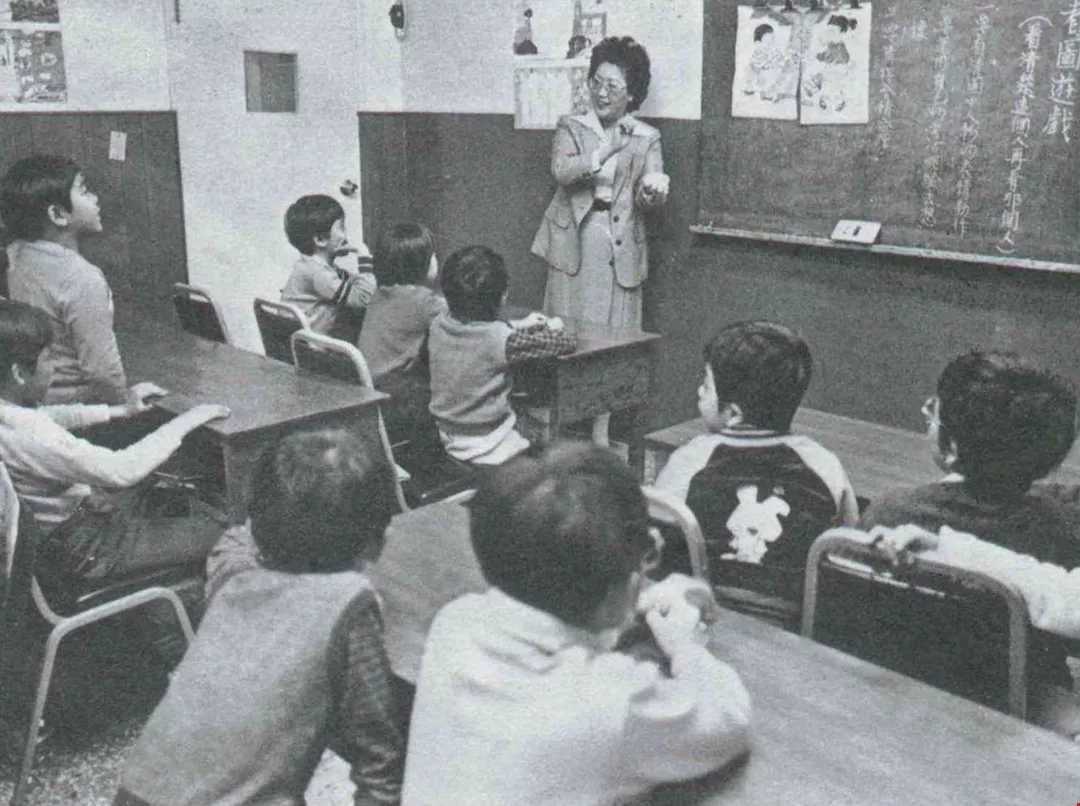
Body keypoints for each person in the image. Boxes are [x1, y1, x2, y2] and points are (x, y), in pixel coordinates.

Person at [402, 442, 751, 806]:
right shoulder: (611, 703)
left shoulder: (455, 623)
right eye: (644, 561)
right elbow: (729, 720)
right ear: (615, 590)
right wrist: (686, 647)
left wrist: (637, 604)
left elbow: (555, 625)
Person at [115, 428, 405, 806]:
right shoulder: (349, 602)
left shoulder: (231, 570)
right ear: (377, 538)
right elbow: (380, 763)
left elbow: (239, 536)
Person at [861, 350, 1080, 736]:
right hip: (1028, 712)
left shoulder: (889, 512)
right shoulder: (1058, 525)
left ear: (951, 446)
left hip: (899, 699)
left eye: (933, 412)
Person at [0, 299, 228, 633]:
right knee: (225, 532)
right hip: (89, 549)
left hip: (65, 543)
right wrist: (188, 420)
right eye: (48, 358)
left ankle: (165, 613)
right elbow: (121, 470)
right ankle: (176, 632)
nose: (55, 368)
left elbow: (49, 417)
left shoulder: (10, 417)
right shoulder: (28, 432)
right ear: (19, 373)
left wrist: (119, 411)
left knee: (171, 500)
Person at [654, 321, 858, 628]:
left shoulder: (689, 460)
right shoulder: (825, 464)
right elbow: (845, 546)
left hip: (702, 622)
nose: (699, 390)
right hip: (797, 630)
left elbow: (656, 540)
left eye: (706, 385)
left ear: (733, 413)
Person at [531, 35, 669, 332]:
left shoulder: (647, 136)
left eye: (612, 86)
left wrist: (652, 192)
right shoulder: (571, 126)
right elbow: (562, 171)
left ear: (631, 94)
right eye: (596, 82)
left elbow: (650, 193)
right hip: (573, 243)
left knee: (616, 335)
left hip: (621, 244)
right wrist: (607, 149)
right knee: (566, 331)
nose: (601, 93)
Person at [1, 155, 132, 404]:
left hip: (28, 397)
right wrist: (127, 407)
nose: (95, 198)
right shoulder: (84, 278)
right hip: (78, 405)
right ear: (57, 214)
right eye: (84, 191)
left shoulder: (16, 253)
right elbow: (103, 374)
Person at [428, 245, 576, 466]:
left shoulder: (438, 324)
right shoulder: (502, 339)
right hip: (489, 441)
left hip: (447, 432)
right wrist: (553, 326)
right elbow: (564, 342)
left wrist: (514, 326)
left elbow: (478, 334)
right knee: (545, 453)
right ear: (503, 296)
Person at [358, 222, 446, 443]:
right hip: (394, 398)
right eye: (432, 255)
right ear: (422, 264)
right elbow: (469, 319)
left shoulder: (380, 293)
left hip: (367, 390)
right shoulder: (424, 302)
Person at [281, 194, 376, 343]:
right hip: (314, 347)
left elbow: (351, 282)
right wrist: (363, 255)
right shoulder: (319, 274)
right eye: (341, 227)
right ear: (320, 240)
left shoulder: (310, 265)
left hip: (303, 340)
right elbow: (364, 298)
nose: (346, 236)